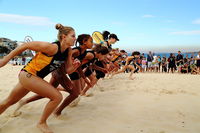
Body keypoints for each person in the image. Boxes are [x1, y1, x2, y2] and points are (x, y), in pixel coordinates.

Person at [0, 23, 77, 133]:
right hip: (28, 74)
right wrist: (5, 60)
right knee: (57, 97)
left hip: (33, 78)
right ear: (64, 37)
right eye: (73, 36)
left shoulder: (68, 51)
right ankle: (41, 123)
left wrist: (75, 67)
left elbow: (68, 70)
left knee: (9, 102)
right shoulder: (52, 48)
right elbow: (25, 45)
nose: (75, 38)